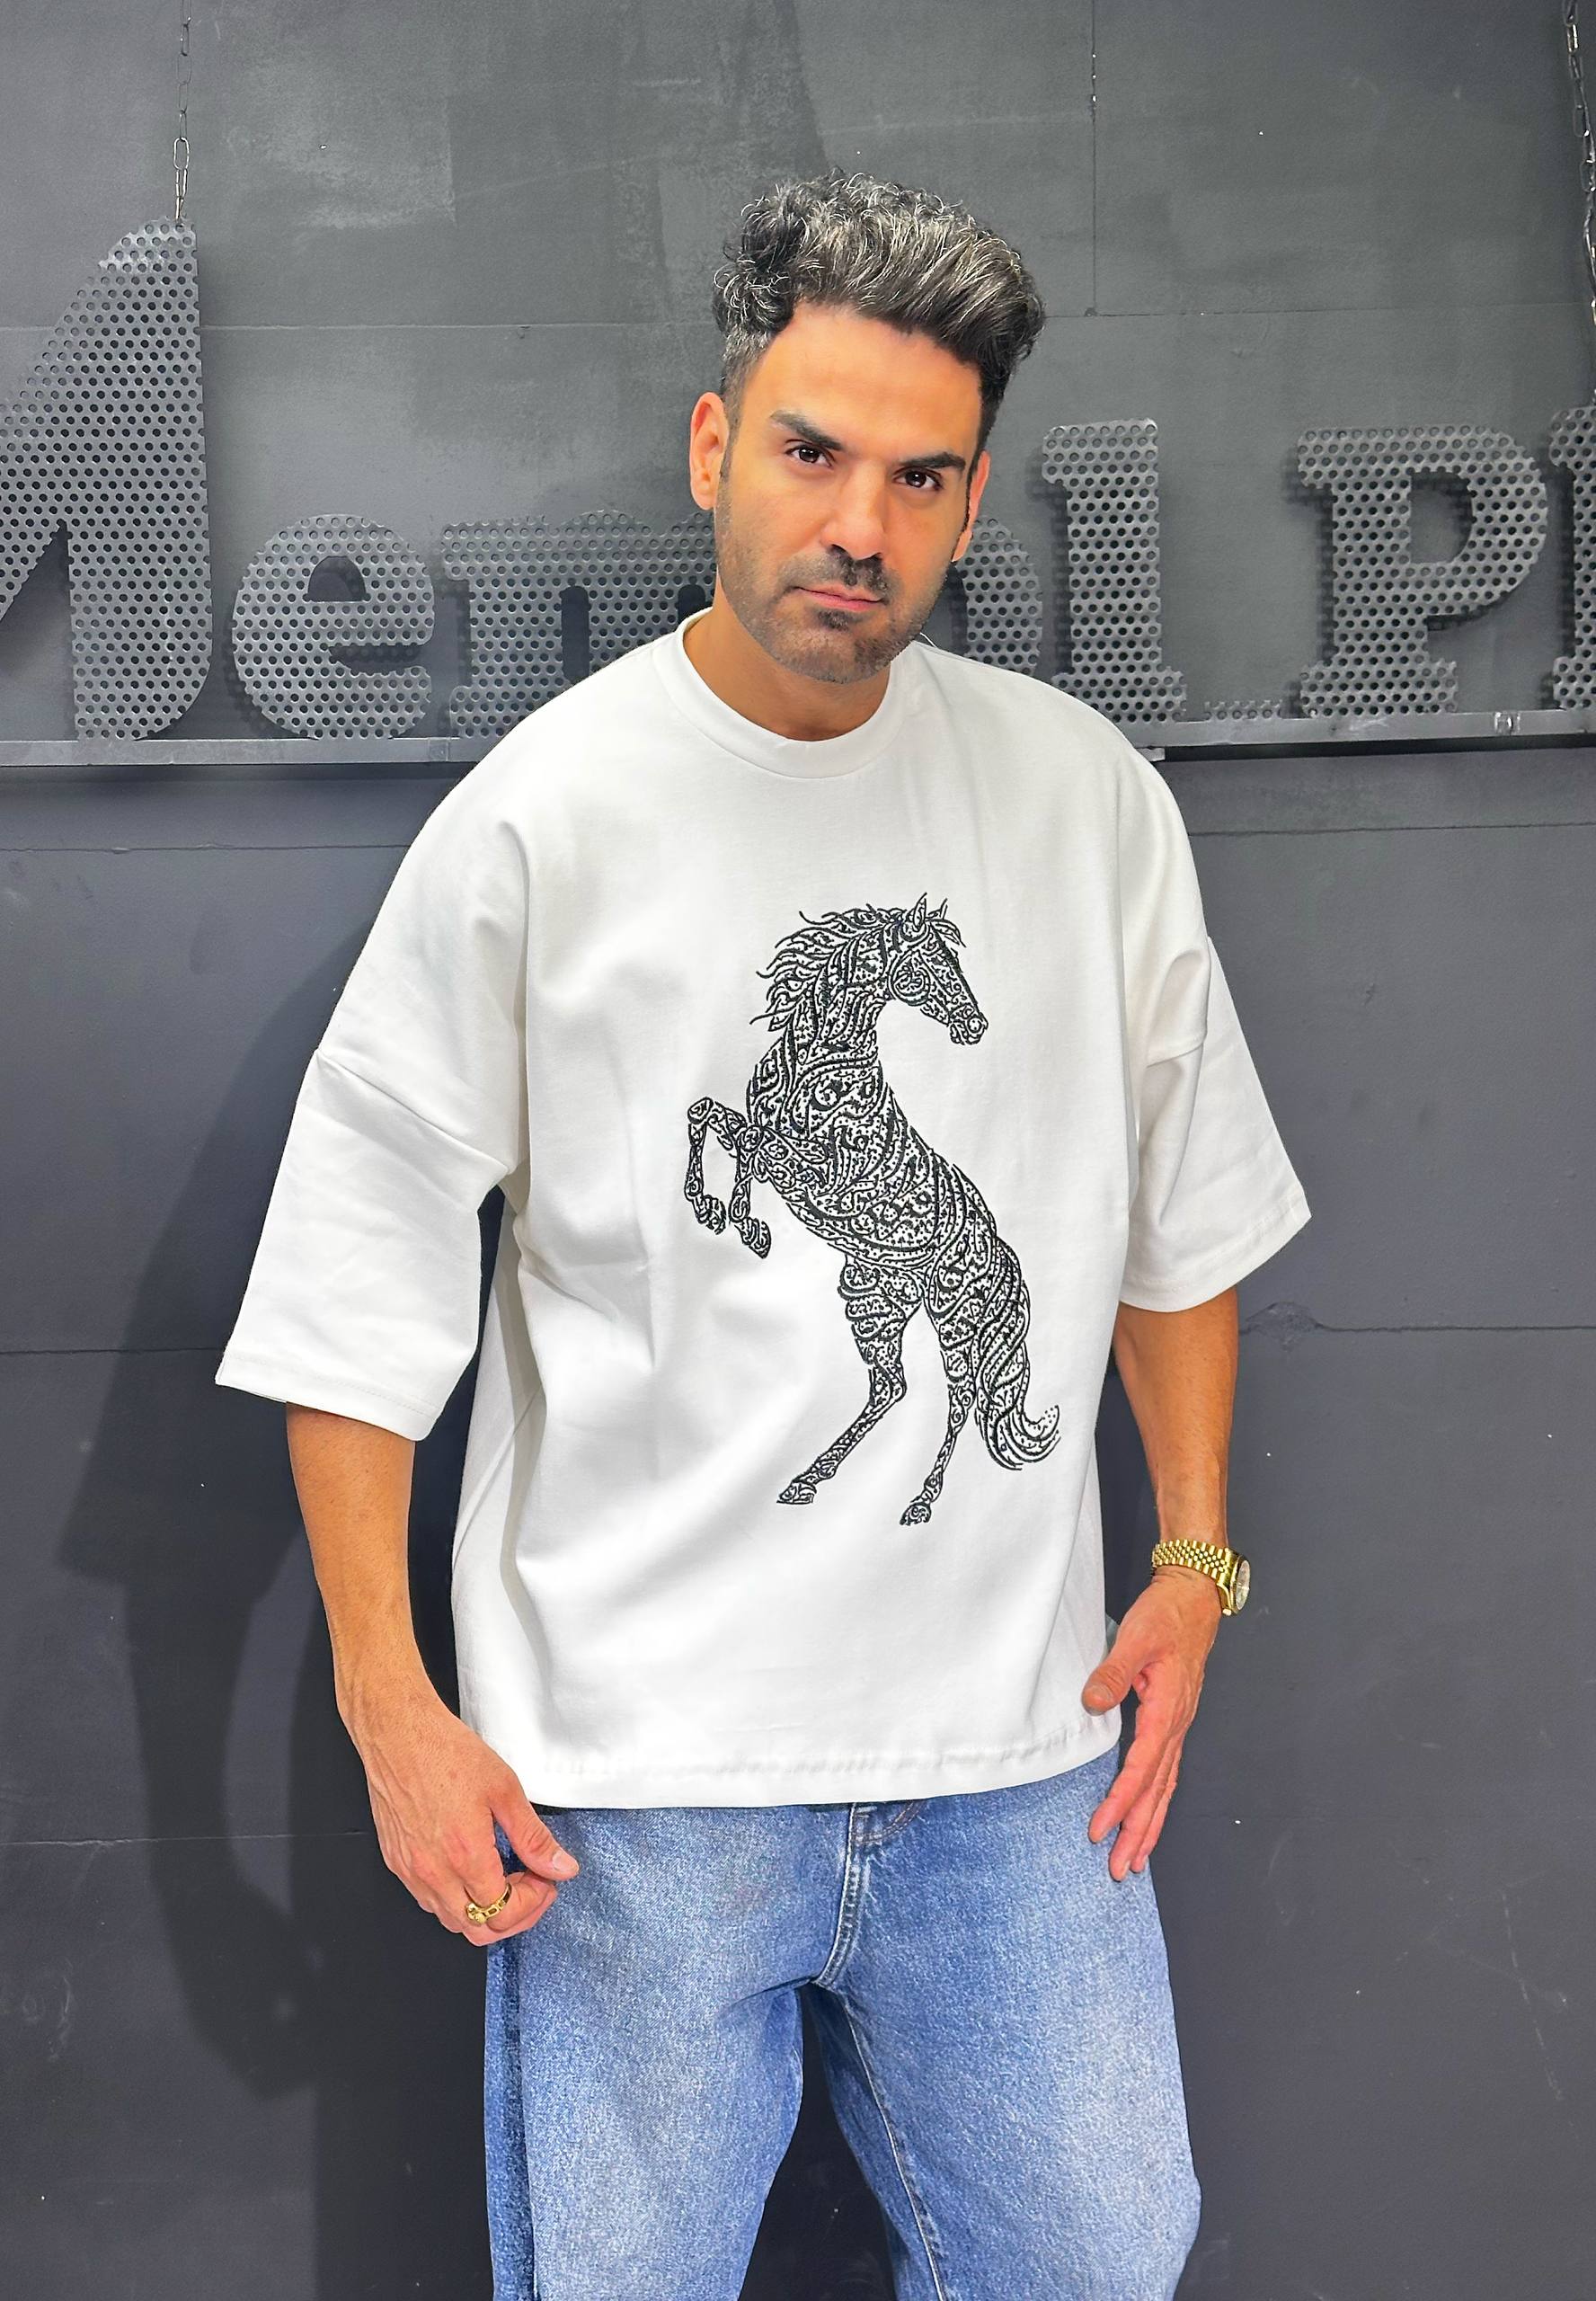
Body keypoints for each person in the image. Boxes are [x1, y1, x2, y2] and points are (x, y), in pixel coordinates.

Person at [216, 166, 1310, 2301]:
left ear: (971, 498)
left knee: (1107, 2257)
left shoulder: (1086, 802)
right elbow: (355, 1288)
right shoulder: (541, 819)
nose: (859, 524)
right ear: (717, 445)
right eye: (813, 453)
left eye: (919, 476)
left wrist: (1193, 1555)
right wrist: (388, 1703)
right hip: (639, 1791)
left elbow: (1184, 1220)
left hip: (1015, 1770)